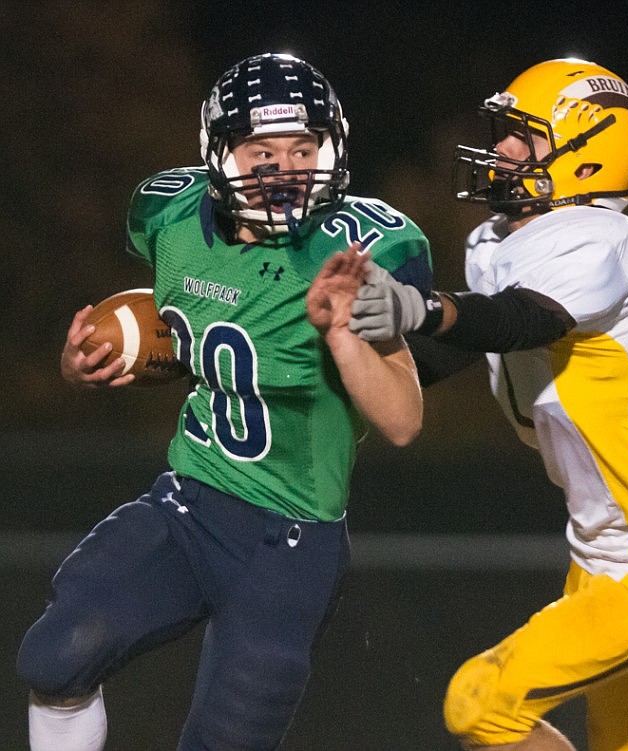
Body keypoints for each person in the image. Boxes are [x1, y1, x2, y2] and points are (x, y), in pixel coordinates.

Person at [16, 52, 430, 751]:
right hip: (186, 506)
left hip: (287, 541)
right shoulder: (171, 216)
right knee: (55, 655)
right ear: (219, 154)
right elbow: (194, 332)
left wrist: (342, 334)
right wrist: (87, 360)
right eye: (261, 150)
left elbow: (402, 419)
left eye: (303, 148)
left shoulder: (354, 254)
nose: (286, 168)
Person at [348, 58, 628, 750]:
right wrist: (338, 355)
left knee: (480, 702)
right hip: (605, 555)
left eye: (524, 138)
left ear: (590, 160)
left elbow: (522, 319)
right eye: (505, 132)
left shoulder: (603, 241)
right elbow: (452, 354)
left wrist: (423, 306)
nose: (502, 149)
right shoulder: (508, 241)